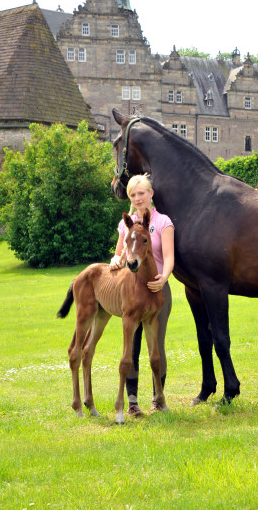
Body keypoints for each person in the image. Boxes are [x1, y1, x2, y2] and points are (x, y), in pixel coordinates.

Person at [110, 174, 174, 415]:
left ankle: (158, 398)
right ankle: (133, 401)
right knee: (132, 345)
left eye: (141, 193)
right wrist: (116, 259)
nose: (137, 198)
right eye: (133, 195)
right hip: (132, 288)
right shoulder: (125, 223)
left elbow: (168, 257)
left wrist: (164, 278)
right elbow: (119, 252)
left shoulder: (163, 221)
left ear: (151, 194)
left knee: (156, 344)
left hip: (157, 288)